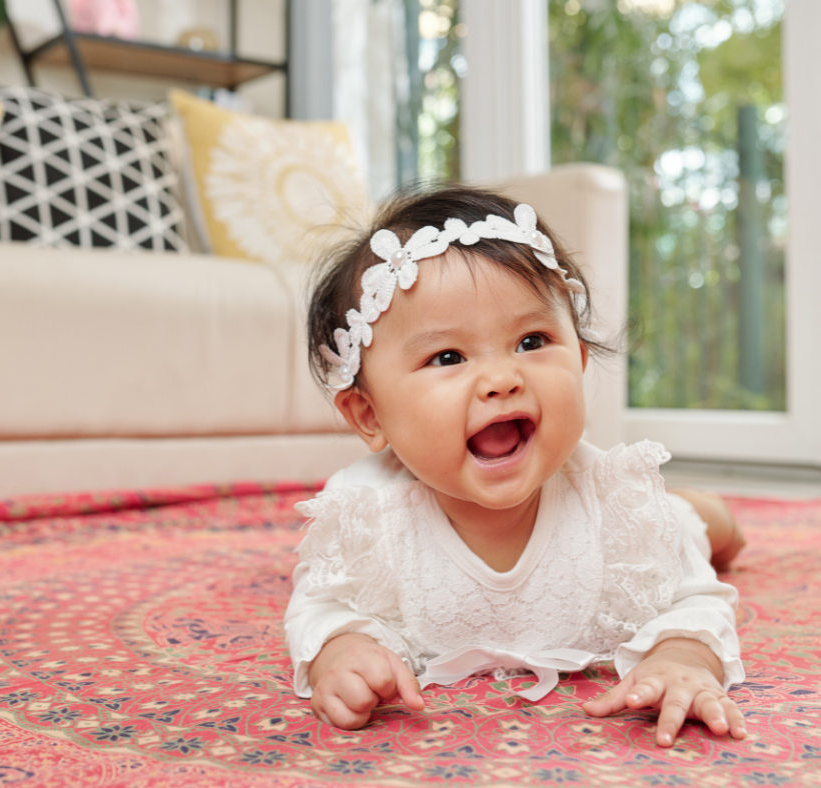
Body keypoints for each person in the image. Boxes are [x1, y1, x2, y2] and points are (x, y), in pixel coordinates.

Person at [284, 186, 747, 748]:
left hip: (635, 529)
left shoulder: (618, 507)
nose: (503, 378)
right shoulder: (367, 513)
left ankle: (698, 510)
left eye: (532, 340)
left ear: (577, 359)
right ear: (369, 413)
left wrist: (683, 656)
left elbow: (693, 599)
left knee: (700, 530)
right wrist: (343, 647)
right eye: (448, 357)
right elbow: (323, 605)